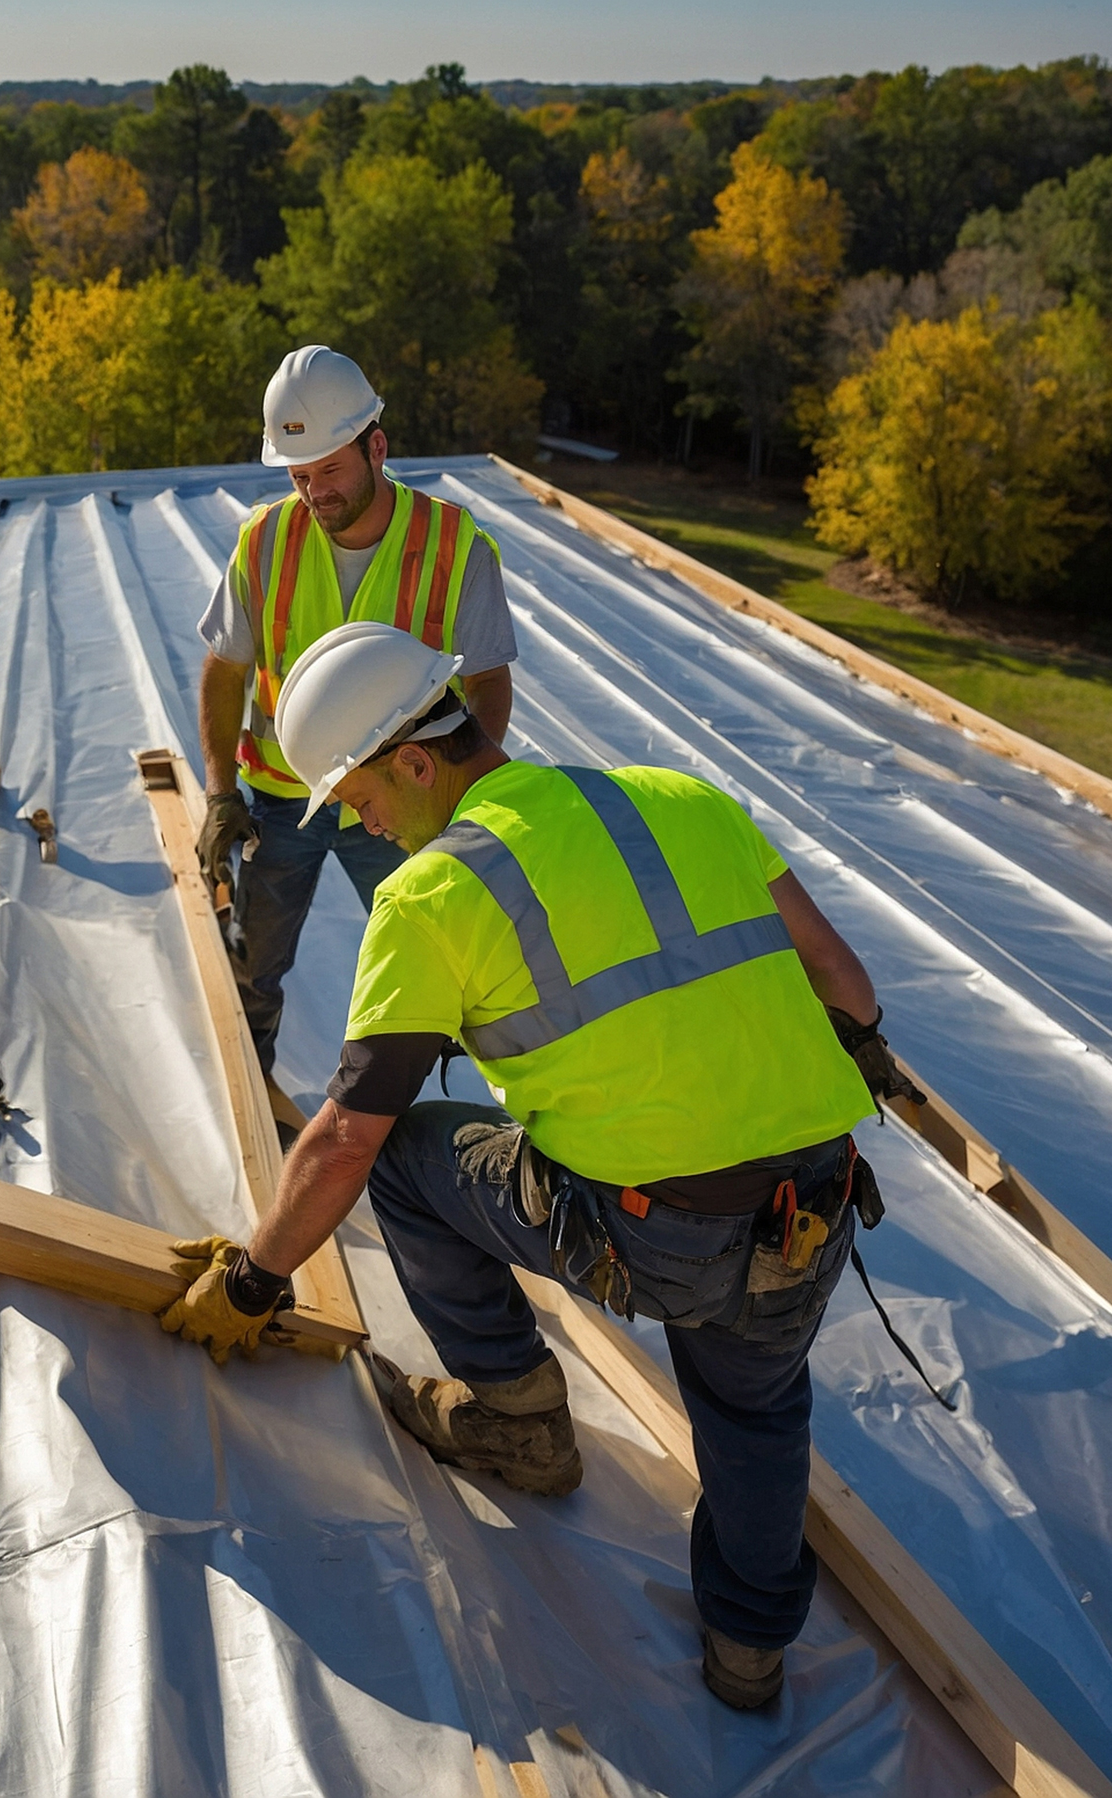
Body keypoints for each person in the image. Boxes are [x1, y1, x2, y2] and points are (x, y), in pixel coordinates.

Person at [156, 622, 924, 1711]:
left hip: (657, 1232)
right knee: (755, 1407)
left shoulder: (432, 896)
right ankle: (751, 1652)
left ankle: (520, 1418)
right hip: (815, 1208)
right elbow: (843, 982)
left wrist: (255, 1277)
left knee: (414, 1159)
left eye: (362, 797)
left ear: (418, 760)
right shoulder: (682, 797)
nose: (361, 821)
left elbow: (343, 1140)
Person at [195, 345, 518, 1075]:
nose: (315, 493)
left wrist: (460, 800)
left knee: (438, 964)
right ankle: (254, 1095)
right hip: (284, 802)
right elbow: (225, 670)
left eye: (330, 470)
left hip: (406, 800)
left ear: (377, 446)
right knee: (254, 965)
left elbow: (490, 680)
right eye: (299, 475)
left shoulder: (452, 544)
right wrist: (220, 793)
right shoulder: (265, 538)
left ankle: (418, 1119)